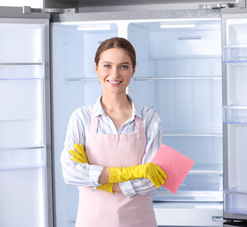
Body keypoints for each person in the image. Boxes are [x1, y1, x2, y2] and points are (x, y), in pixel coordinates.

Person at [61, 37, 167, 227]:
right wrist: (127, 175)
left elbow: (153, 181)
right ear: (96, 68)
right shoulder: (81, 118)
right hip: (92, 221)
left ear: (133, 70)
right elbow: (70, 173)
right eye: (107, 65)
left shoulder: (150, 119)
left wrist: (98, 181)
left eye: (124, 66)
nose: (114, 74)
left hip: (138, 221)